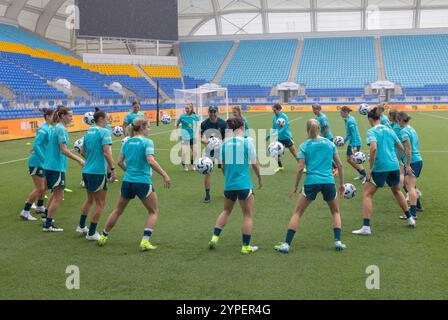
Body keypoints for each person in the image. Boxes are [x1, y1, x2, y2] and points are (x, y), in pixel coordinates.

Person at [98, 118, 171, 251]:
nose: (149, 129)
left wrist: (130, 171)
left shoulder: (127, 142)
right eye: (148, 127)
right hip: (142, 182)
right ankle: (145, 241)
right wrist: (164, 175)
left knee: (117, 210)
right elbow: (151, 160)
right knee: (153, 211)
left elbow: (119, 162)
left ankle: (103, 236)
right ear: (142, 128)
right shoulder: (147, 142)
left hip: (127, 182)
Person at [274, 119, 346, 253]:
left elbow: (301, 167)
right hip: (328, 182)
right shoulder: (329, 144)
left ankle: (286, 244)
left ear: (307, 130)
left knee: (297, 213)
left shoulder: (304, 145)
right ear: (319, 128)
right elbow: (340, 166)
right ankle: (338, 241)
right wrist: (341, 184)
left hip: (311, 182)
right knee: (335, 212)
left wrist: (295, 186)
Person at [352, 107, 416, 236]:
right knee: (397, 191)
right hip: (393, 166)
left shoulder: (371, 131)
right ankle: (410, 219)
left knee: (367, 194)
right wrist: (395, 159)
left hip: (380, 167)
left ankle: (366, 227)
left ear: (370, 119)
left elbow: (374, 148)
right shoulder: (390, 130)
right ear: (380, 118)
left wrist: (369, 169)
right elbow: (401, 148)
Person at [208, 117, 263, 254]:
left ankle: (214, 238)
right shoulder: (247, 142)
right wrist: (260, 178)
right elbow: (255, 163)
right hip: (244, 185)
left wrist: (228, 177)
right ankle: (245, 247)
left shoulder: (224, 144)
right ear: (243, 127)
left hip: (229, 185)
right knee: (247, 215)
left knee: (226, 211)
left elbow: (222, 166)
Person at [42, 106, 85, 232]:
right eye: (70, 115)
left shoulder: (55, 127)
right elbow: (63, 150)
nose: (72, 117)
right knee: (59, 196)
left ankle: (46, 217)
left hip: (50, 165)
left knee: (55, 193)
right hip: (56, 167)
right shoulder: (60, 129)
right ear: (62, 116)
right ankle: (48, 224)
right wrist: (80, 160)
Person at [77, 109, 117, 240]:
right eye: (106, 118)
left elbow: (82, 151)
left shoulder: (88, 132)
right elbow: (106, 152)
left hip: (87, 171)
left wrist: (91, 160)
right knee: (100, 203)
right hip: (97, 172)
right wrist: (112, 169)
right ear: (100, 119)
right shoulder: (104, 132)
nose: (108, 120)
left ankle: (81, 227)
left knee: (89, 200)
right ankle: (92, 233)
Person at [21, 108, 54, 221]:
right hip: (37, 162)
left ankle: (39, 206)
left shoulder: (49, 128)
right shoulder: (43, 129)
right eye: (54, 116)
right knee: (39, 188)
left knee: (44, 187)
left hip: (42, 162)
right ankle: (25, 211)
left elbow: (40, 144)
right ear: (48, 117)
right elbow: (36, 144)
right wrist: (44, 159)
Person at [397, 112, 423, 220]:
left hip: (412, 161)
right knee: (409, 185)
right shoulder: (411, 129)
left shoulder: (404, 131)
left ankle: (412, 213)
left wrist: (407, 165)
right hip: (417, 160)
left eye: (397, 120)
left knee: (410, 188)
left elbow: (408, 149)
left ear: (400, 120)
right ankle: (417, 207)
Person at [200, 106, 227, 203]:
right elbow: (200, 138)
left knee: (225, 170)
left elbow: (227, 137)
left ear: (217, 112)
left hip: (221, 150)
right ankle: (207, 195)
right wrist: (207, 142)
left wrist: (219, 143)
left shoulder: (223, 123)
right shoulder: (204, 123)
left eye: (214, 112)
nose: (212, 114)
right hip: (209, 151)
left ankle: (227, 190)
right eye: (210, 112)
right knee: (207, 172)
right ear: (208, 113)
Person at [266, 104, 298, 173]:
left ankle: (303, 166)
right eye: (273, 110)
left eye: (275, 110)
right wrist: (268, 135)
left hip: (286, 137)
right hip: (279, 138)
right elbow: (274, 128)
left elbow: (284, 128)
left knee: (294, 152)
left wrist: (277, 133)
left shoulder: (284, 116)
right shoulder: (274, 118)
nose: (274, 112)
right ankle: (280, 166)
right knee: (274, 152)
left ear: (279, 109)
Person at [340, 106, 366, 183]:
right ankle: (362, 173)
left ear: (345, 112)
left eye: (341, 112)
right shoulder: (348, 120)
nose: (340, 114)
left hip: (355, 143)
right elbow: (349, 134)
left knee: (353, 160)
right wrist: (344, 141)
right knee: (350, 159)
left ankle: (365, 175)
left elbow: (354, 134)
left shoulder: (350, 121)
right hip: (353, 142)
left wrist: (354, 145)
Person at [313, 104, 337, 175]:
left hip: (327, 138)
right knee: (321, 153)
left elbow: (326, 128)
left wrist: (323, 138)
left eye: (315, 109)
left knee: (327, 154)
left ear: (319, 109)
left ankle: (335, 168)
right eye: (313, 109)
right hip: (321, 138)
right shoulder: (317, 117)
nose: (314, 111)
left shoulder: (322, 118)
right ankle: (329, 168)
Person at [176, 103, 200, 171]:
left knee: (195, 152)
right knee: (184, 152)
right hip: (184, 137)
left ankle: (192, 164)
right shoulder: (182, 116)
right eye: (185, 108)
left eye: (188, 108)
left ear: (191, 108)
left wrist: (197, 132)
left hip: (193, 136)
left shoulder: (195, 116)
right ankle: (184, 165)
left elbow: (198, 125)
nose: (186, 109)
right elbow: (177, 124)